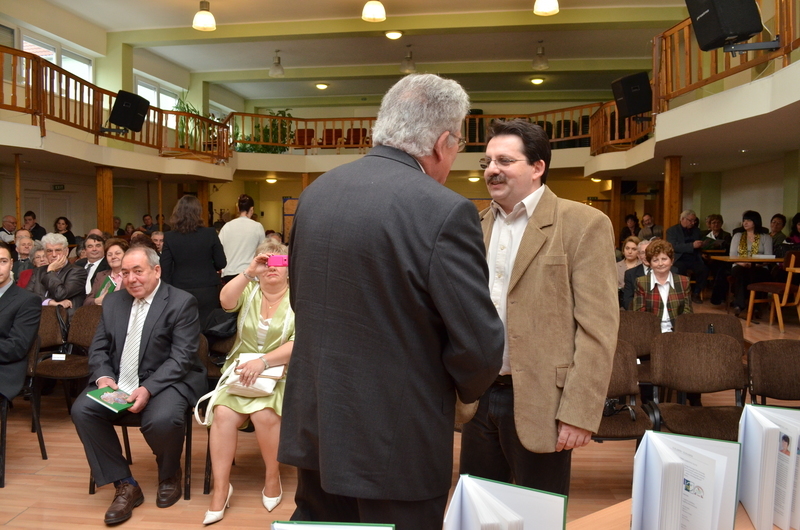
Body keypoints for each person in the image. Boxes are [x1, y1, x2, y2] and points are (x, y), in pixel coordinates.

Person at [280, 74, 504, 529]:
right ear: (442, 142)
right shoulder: (444, 210)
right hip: (397, 440)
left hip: (318, 423)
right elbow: (478, 344)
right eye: (459, 144)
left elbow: (302, 302)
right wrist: (459, 392)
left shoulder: (316, 193)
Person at [458, 119, 617, 497]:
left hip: (544, 401)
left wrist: (579, 412)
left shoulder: (583, 223)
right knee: (479, 509)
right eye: (487, 162)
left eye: (504, 161)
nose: (492, 170)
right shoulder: (473, 226)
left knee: (537, 512)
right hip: (478, 399)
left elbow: (598, 329)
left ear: (537, 167)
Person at [71, 246, 206, 524]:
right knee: (82, 410)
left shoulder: (181, 302)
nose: (131, 279)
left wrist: (148, 388)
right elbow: (99, 348)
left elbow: (181, 358)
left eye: (138, 271)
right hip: (119, 381)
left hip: (166, 380)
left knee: (163, 418)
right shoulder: (113, 301)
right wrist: (104, 377)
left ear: (156, 271)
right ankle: (125, 483)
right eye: (125, 273)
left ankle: (169, 474)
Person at [204, 240, 295, 524]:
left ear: (290, 268)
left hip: (281, 372)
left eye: (279, 262)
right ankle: (221, 489)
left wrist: (264, 362)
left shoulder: (298, 298)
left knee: (264, 414)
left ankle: (272, 477)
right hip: (241, 371)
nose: (272, 268)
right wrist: (249, 271)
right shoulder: (250, 291)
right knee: (222, 413)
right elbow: (225, 301)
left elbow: (300, 341)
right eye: (266, 262)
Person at [160, 195, 226, 328]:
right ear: (199, 212)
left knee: (183, 326)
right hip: (207, 287)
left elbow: (165, 269)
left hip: (180, 288)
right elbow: (221, 263)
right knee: (207, 326)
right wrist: (208, 266)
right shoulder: (210, 233)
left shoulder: (169, 237)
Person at [0, 241, 42, 404]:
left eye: (3, 261)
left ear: (11, 264)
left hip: (4, 368)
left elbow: (17, 347)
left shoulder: (27, 300)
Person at [633, 239, 692, 332]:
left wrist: (678, 334)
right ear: (650, 263)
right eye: (655, 260)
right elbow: (640, 314)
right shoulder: (641, 282)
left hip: (677, 331)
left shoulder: (684, 281)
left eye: (664, 259)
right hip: (651, 331)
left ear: (672, 261)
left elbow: (687, 313)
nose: (660, 264)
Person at [26, 232, 87, 313]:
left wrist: (50, 272)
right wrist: (50, 302)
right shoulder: (39, 271)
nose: (54, 255)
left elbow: (60, 294)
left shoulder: (77, 272)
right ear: (45, 253)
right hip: (38, 315)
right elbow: (27, 296)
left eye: (58, 250)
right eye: (49, 251)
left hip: (63, 317)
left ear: (66, 251)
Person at [729, 210, 773, 317]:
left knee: (756, 274)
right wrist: (743, 264)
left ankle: (756, 306)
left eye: (748, 220)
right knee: (740, 273)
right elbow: (732, 256)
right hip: (740, 264)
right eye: (744, 220)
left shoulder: (766, 237)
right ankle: (739, 305)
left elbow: (768, 257)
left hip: (760, 266)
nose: (745, 223)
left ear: (756, 222)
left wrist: (755, 264)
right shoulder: (737, 236)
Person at [219, 194, 266, 283]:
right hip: (248, 273)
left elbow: (219, 249)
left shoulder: (227, 226)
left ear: (238, 209)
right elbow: (262, 251)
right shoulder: (257, 226)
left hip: (229, 273)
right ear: (251, 209)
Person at [666, 209, 707, 304]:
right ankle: (682, 295)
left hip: (694, 257)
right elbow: (673, 246)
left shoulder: (697, 231)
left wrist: (702, 247)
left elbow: (699, 246)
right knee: (679, 269)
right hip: (679, 258)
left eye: (694, 220)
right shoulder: (672, 231)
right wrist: (691, 245)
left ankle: (696, 293)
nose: (693, 223)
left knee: (704, 270)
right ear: (683, 219)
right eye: (690, 220)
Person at [84, 238, 129, 306]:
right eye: (109, 255)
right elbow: (87, 301)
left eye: (117, 253)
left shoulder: (131, 275)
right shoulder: (100, 276)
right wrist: (97, 301)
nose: (113, 257)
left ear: (126, 255)